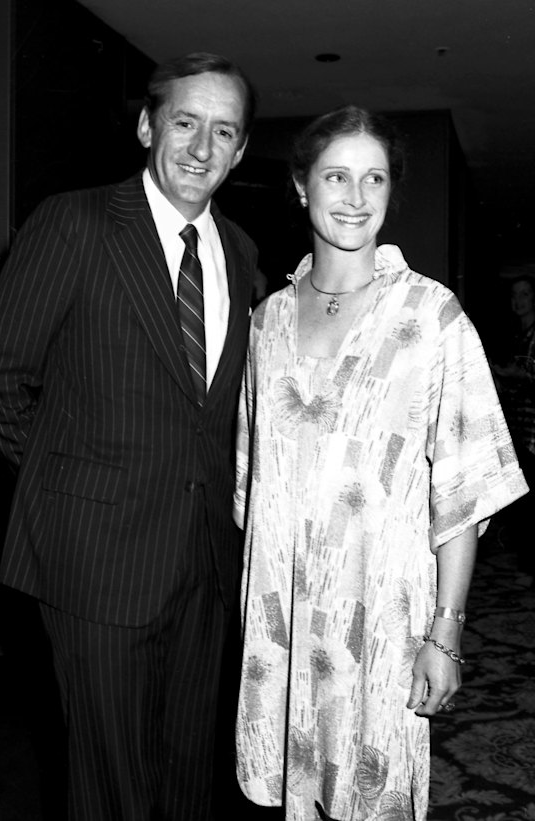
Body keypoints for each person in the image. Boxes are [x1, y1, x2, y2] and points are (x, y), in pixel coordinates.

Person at [0, 52, 258, 821]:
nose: (201, 148)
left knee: (188, 769)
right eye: (185, 122)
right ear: (146, 124)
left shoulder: (241, 252)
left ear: (242, 150)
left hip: (206, 562)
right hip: (96, 559)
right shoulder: (76, 222)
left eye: (223, 131)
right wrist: (77, 484)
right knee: (111, 780)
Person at [233, 106, 528, 821]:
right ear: (302, 187)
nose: (357, 198)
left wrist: (446, 633)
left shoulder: (432, 316)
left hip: (383, 623)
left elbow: (465, 489)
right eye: (337, 176)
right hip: (284, 626)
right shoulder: (265, 322)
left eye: (375, 178)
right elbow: (251, 488)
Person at [492, 275, 535, 581]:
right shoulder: (518, 336)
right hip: (520, 427)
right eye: (514, 295)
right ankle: (527, 562)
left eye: (524, 294)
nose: (518, 300)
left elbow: (526, 375)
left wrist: (508, 372)